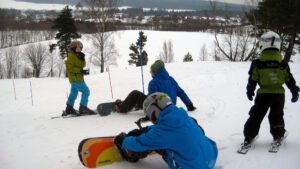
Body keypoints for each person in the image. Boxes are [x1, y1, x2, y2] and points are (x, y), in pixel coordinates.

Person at [114, 92, 218, 169]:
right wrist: (148, 129)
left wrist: (124, 140)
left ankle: (132, 155)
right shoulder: (184, 117)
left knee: (152, 144)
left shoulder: (162, 133)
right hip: (211, 155)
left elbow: (139, 143)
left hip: (193, 167)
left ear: (154, 110)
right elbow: (170, 131)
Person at [242, 31, 299, 146]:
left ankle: (249, 136)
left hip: (263, 95)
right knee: (276, 115)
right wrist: (294, 90)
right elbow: (289, 79)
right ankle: (278, 135)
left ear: (262, 44)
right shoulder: (283, 64)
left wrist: (250, 90)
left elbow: (252, 78)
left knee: (256, 114)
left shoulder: (257, 63)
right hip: (279, 96)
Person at [115, 60, 196, 113]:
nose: (151, 73)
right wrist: (190, 106)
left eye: (151, 71)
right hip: (171, 109)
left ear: (155, 72)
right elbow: (182, 93)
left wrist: (143, 105)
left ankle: (121, 108)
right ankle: (135, 104)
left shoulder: (153, 82)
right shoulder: (171, 80)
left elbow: (151, 99)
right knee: (142, 98)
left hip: (158, 111)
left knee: (135, 94)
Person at [62, 40, 94, 116]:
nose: (79, 49)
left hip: (77, 78)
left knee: (74, 93)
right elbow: (70, 68)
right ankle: (83, 108)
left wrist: (82, 58)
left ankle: (69, 108)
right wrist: (81, 71)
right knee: (86, 91)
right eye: (78, 48)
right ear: (73, 48)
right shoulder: (71, 56)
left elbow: (82, 65)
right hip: (75, 78)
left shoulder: (77, 55)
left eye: (80, 48)